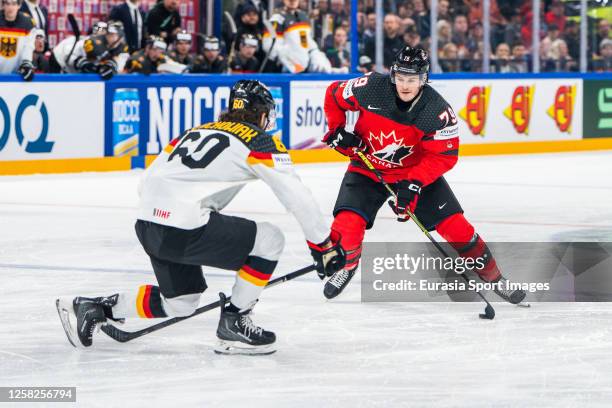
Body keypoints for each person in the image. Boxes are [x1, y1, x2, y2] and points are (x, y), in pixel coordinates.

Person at [56, 80, 345, 355]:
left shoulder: (194, 131)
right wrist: (323, 244)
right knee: (270, 240)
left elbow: (146, 183)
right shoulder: (260, 141)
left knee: (181, 302)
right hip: (183, 228)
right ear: (261, 113)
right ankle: (235, 321)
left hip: (147, 225)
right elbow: (297, 195)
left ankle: (97, 309)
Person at [320, 46, 526, 305]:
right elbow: (333, 94)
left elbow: (444, 156)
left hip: (413, 172)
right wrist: (337, 129)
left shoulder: (437, 111)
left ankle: (495, 278)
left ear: (424, 79)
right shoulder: (370, 86)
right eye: (401, 78)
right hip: (368, 168)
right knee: (346, 225)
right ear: (393, 75)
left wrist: (414, 183)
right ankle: (347, 266)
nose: (406, 85)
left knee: (458, 229)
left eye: (413, 79)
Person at [262, 0, 336, 73]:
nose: (292, 1)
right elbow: (269, 45)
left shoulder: (303, 16)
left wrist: (316, 56)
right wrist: (290, 63)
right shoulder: (275, 18)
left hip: (304, 67)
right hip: (284, 69)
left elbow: (307, 41)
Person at [0, 0, 36, 81]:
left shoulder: (27, 22)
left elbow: (28, 46)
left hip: (15, 77)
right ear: (3, 5)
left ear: (19, 6)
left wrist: (26, 62)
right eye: (7, 4)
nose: (10, 7)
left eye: (13, 4)